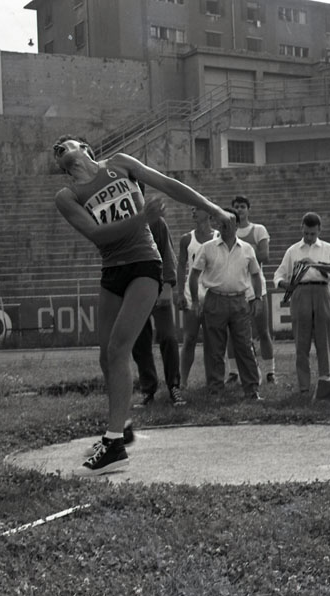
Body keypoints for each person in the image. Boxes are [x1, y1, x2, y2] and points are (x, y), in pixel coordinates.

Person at [53, 135, 232, 475]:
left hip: (143, 263)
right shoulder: (67, 196)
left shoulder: (119, 164)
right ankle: (122, 426)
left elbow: (168, 184)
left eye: (67, 143)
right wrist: (143, 218)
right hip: (112, 270)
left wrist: (214, 209)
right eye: (56, 149)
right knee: (106, 356)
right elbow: (97, 234)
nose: (59, 147)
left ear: (87, 149)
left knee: (119, 348)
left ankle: (114, 446)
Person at [189, 206, 263, 399]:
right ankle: (215, 389)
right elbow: (194, 274)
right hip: (215, 299)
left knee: (244, 346)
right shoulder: (208, 247)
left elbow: (255, 275)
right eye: (221, 222)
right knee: (214, 348)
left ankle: (252, 389)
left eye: (228, 222)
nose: (224, 226)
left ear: (236, 225)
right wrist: (195, 301)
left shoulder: (247, 249)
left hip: (239, 300)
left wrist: (257, 297)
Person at [273, 212, 330, 394]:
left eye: (313, 234)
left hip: (322, 291)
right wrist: (285, 284)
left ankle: (325, 382)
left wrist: (313, 264)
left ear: (319, 230)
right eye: (306, 233)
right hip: (300, 292)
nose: (309, 237)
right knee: (301, 343)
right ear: (301, 228)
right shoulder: (293, 250)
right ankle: (304, 387)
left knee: (323, 342)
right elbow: (278, 275)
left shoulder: (328, 249)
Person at [131, 215, 186, 408]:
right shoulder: (122, 221)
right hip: (133, 290)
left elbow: (167, 253)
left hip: (157, 287)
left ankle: (174, 386)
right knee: (139, 342)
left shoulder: (155, 221)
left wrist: (168, 285)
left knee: (168, 337)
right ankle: (148, 389)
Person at [226, 195, 277, 385]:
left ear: (248, 209)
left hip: (256, 287)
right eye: (236, 206)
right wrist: (250, 249)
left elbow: (265, 256)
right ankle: (233, 372)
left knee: (263, 331)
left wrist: (243, 251)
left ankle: (270, 371)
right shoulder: (226, 231)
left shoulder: (258, 229)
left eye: (242, 206)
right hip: (236, 287)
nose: (239, 210)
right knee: (233, 333)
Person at [176, 207, 218, 388]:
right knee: (189, 338)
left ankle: (212, 381)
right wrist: (179, 293)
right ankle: (183, 381)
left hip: (212, 292)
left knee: (211, 341)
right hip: (191, 292)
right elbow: (181, 266)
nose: (193, 212)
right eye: (192, 209)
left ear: (208, 213)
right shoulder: (187, 238)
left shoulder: (218, 237)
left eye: (198, 209)